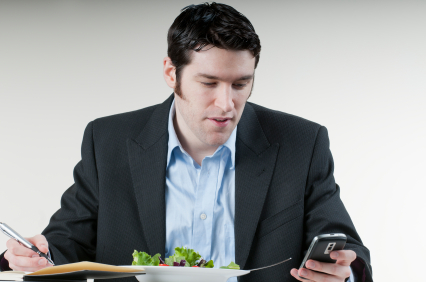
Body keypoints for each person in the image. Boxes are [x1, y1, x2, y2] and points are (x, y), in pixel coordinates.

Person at [1, 3, 372, 282]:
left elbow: (349, 251)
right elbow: (68, 243)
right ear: (170, 73)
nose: (227, 103)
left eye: (241, 84)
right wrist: (35, 255)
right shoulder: (108, 140)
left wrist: (344, 271)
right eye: (209, 83)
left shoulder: (301, 143)